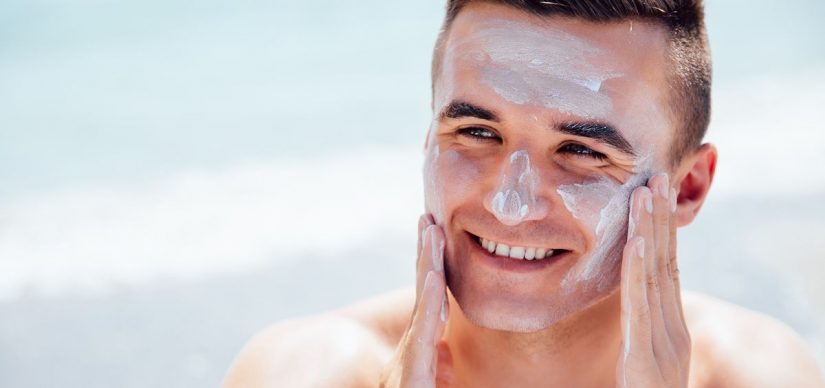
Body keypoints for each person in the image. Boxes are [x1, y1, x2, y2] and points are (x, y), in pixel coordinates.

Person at [223, 1, 825, 387]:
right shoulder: (308, 371)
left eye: (582, 151)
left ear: (688, 188)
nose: (510, 203)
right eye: (477, 133)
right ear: (429, 141)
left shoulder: (752, 373)